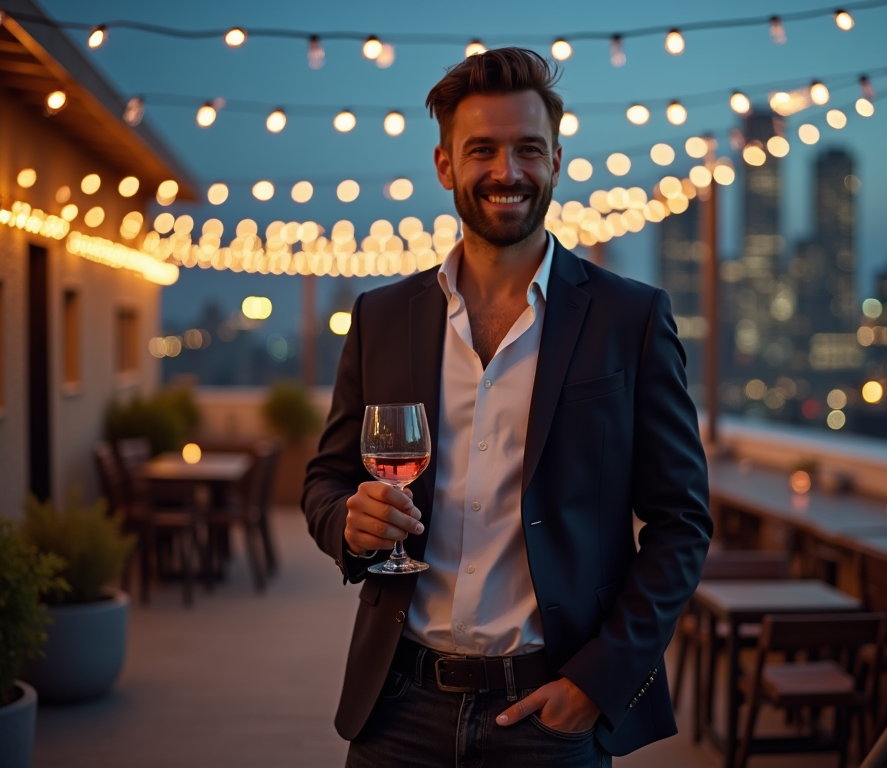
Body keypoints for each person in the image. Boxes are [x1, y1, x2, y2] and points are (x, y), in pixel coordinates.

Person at [302, 47, 711, 767]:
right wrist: (350, 525)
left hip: (550, 720)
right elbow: (325, 482)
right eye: (482, 150)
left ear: (556, 160)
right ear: (444, 166)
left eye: (527, 149)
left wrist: (596, 683)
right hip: (397, 709)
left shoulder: (631, 318)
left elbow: (682, 524)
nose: (506, 171)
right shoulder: (380, 317)